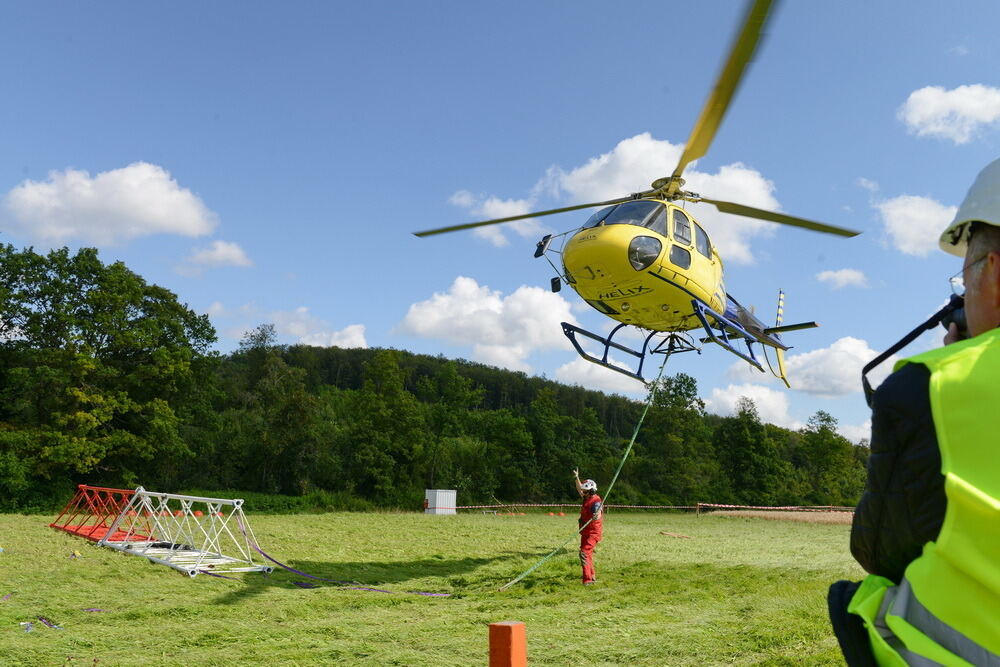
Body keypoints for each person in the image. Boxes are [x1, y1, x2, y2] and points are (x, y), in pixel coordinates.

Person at [829, 157, 1000, 665]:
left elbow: (877, 550)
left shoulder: (933, 384)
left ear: (993, 273)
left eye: (965, 276)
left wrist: (961, 357)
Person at [573, 467, 603, 585]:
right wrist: (576, 477)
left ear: (591, 491)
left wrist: (596, 515)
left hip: (593, 533)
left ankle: (587, 580)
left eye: (585, 491)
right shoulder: (586, 497)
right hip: (585, 531)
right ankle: (592, 575)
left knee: (584, 553)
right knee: (587, 554)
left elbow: (598, 513)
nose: (583, 493)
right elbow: (579, 489)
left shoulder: (596, 501)